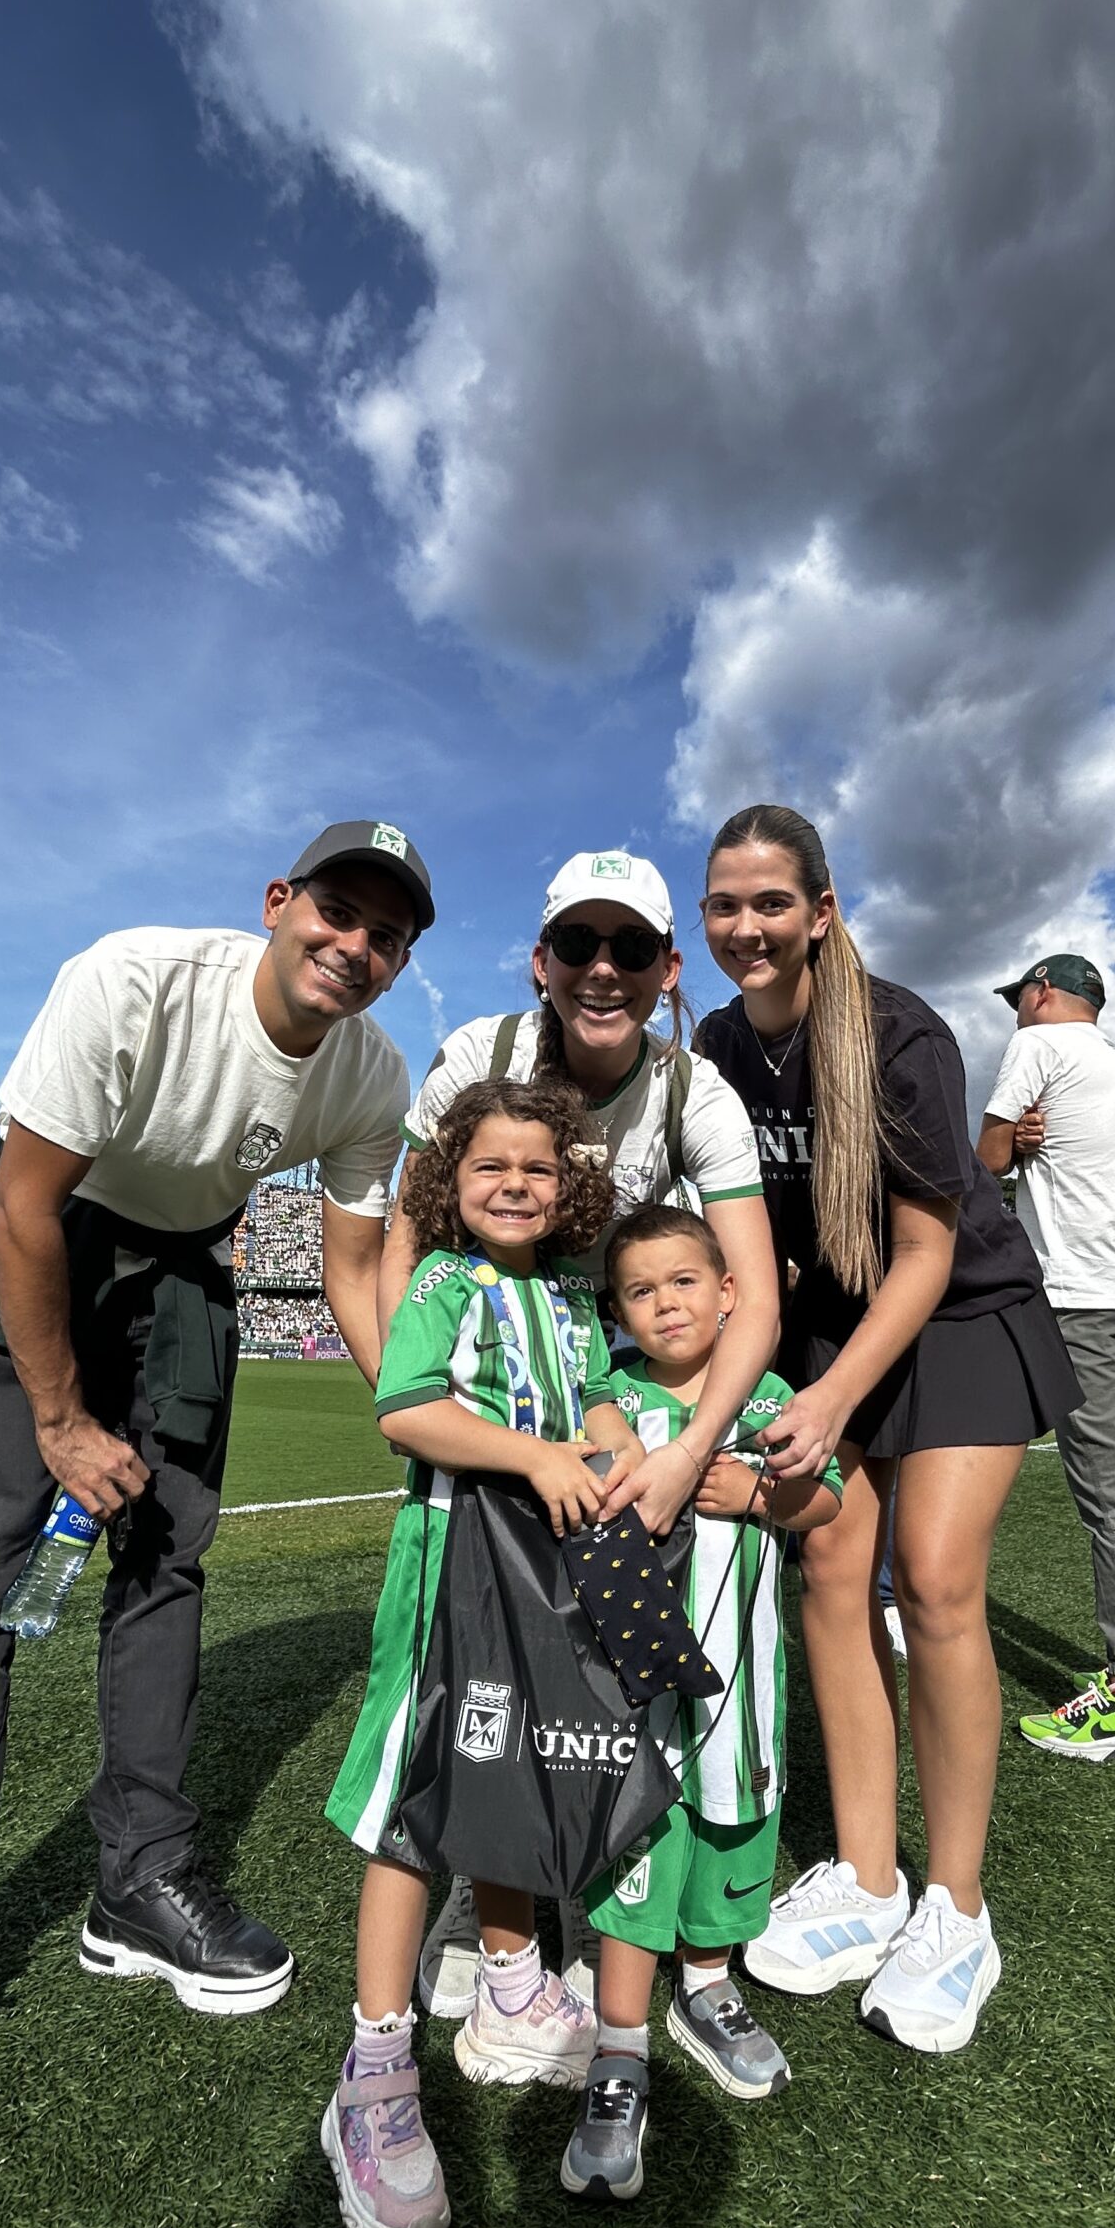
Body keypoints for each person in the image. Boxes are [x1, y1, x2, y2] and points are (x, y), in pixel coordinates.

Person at [0, 822, 432, 2228]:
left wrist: (423, 1421)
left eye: (389, 934)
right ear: (280, 903)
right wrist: (65, 1421)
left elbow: (354, 1267)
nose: (357, 945)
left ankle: (138, 1882)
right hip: (42, 1249)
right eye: (338, 909)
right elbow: (23, 1207)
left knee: (168, 1574)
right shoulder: (134, 979)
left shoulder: (374, 1072)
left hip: (186, 1280)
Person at [695, 805, 1081, 2057]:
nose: (744, 927)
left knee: (936, 1579)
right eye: (724, 904)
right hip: (829, 1315)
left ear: (821, 911)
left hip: (957, 1306)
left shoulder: (901, 1032)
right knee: (827, 1564)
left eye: (769, 903)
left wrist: (830, 1398)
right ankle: (867, 1879)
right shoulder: (712, 1043)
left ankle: (956, 1908)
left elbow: (923, 1251)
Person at [384, 848, 780, 2015]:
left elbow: (753, 1293)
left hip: (599, 1378)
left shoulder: (691, 1089)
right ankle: (495, 1886)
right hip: (489, 1385)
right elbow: (407, 1225)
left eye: (628, 950)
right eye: (576, 945)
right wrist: (410, 1393)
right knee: (480, 1659)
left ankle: (596, 1862)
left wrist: (687, 1452)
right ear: (540, 960)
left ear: (667, 971)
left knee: (588, 1649)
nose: (599, 971)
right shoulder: (480, 1056)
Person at [321, 1077, 634, 2228]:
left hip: (544, 1588)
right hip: (451, 1572)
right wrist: (537, 1456)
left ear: (571, 1189)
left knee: (512, 1769)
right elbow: (406, 1407)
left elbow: (600, 1398)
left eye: (539, 1168)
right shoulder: (447, 1284)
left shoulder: (564, 1294)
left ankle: (510, 1990)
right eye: (490, 1164)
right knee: (415, 1805)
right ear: (453, 1179)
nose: (514, 1183)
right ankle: (376, 2065)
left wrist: (615, 1454)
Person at [563, 1206, 844, 2203]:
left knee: (733, 1832)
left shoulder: (767, 1396)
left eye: (685, 1279)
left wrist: (762, 1498)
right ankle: (620, 2047)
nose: (665, 1302)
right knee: (637, 1847)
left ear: (733, 1290)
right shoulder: (607, 1399)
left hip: (739, 1692)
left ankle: (711, 1987)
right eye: (641, 1290)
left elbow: (830, 1499)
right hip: (631, 1703)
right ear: (620, 1312)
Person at [976, 954, 1115, 1766]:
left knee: (1114, 1497)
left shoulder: (1038, 1047)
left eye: (1019, 1000)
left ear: (1041, 993)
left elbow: (986, 1162)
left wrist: (1014, 1135)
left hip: (1083, 1299)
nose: (1015, 1014)